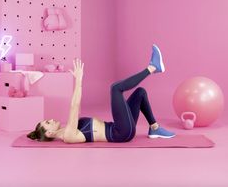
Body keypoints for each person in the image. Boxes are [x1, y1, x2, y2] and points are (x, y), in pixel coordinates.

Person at [27, 44, 175, 143]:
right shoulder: (68, 135)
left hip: (120, 127)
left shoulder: (67, 129)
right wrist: (79, 80)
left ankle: (155, 128)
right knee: (115, 88)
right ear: (49, 134)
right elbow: (74, 105)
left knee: (140, 93)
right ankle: (152, 67)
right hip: (121, 133)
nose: (51, 119)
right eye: (48, 123)